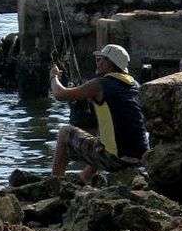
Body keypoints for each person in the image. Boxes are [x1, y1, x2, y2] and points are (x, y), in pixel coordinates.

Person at [50, 44, 149, 184]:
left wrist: (53, 77)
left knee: (65, 132)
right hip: (140, 158)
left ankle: (54, 184)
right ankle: (83, 179)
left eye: (100, 60)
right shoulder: (135, 85)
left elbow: (60, 94)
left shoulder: (100, 84)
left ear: (109, 63)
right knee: (99, 135)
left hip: (116, 160)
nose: (97, 63)